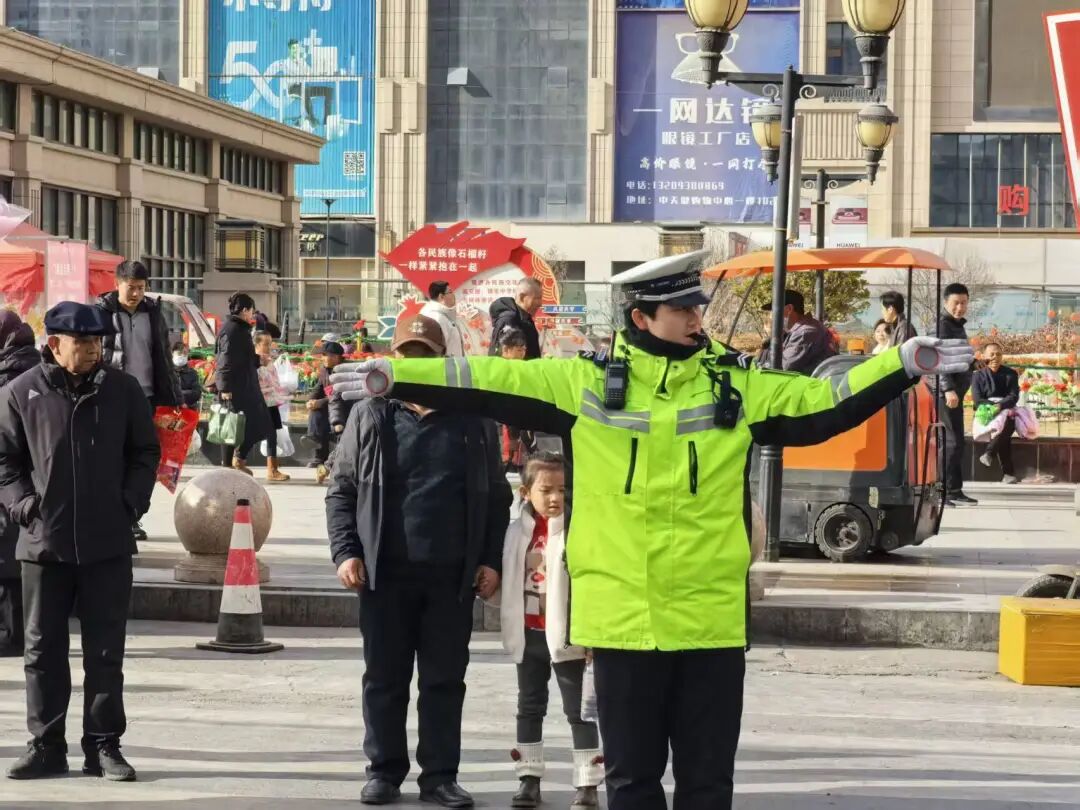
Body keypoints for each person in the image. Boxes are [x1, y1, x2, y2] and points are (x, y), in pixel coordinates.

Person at [329, 249, 973, 810]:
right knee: (631, 782)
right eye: (683, 310)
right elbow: (486, 377)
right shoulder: (581, 383)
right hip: (622, 622)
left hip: (710, 620)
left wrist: (902, 364)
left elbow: (823, 402)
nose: (697, 318)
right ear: (642, 318)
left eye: (697, 308)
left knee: (707, 783)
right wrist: (395, 374)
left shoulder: (737, 387)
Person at [326, 313, 510, 809]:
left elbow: (497, 496)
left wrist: (490, 559)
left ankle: (440, 777)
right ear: (394, 358)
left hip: (452, 576)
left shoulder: (472, 418)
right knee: (384, 680)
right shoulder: (371, 414)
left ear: (442, 360)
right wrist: (346, 551)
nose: (415, 364)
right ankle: (383, 772)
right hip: (385, 573)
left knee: (444, 683)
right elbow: (342, 489)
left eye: (425, 356)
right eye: (407, 355)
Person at [0, 302, 159, 782]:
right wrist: (24, 506)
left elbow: (145, 451)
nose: (93, 350)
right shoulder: (20, 393)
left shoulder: (122, 390)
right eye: (83, 342)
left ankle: (104, 746)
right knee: (41, 652)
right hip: (43, 544)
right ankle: (46, 746)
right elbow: (4, 462)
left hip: (107, 542)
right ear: (54, 344)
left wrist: (130, 502)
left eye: (97, 342)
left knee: (105, 652)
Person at [500, 453, 602, 810]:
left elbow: (592, 587)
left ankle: (587, 783)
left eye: (562, 489)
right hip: (528, 635)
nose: (556, 497)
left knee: (580, 711)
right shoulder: (516, 533)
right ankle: (528, 779)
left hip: (569, 638)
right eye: (547, 490)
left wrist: (591, 635)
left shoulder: (578, 531)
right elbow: (507, 580)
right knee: (529, 707)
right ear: (526, 492)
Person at [98, 259, 179, 541]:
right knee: (115, 458)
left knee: (145, 459)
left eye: (141, 288)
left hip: (148, 399)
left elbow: (164, 358)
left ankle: (133, 515)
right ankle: (114, 514)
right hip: (112, 397)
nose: (136, 294)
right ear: (117, 284)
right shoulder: (102, 313)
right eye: (130, 287)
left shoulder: (153, 313)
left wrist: (175, 397)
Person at [0, 311, 39, 658]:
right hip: (27, 478)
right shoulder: (35, 367)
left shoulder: (11, 374)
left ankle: (12, 636)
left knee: (7, 557)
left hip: (12, 476)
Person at [214, 293, 273, 476]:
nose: (252, 315)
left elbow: (243, 357)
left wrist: (258, 360)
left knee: (260, 423)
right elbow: (224, 360)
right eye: (252, 311)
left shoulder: (240, 329)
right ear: (245, 310)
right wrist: (225, 388)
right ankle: (227, 466)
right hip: (235, 388)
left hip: (246, 386)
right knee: (231, 426)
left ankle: (238, 459)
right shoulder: (232, 330)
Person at [935, 282, 978, 507]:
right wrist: (947, 388)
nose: (960, 307)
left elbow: (956, 357)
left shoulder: (956, 325)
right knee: (950, 443)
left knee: (958, 442)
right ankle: (941, 491)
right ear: (945, 302)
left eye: (964, 303)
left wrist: (974, 363)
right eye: (956, 303)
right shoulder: (942, 325)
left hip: (957, 393)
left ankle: (954, 489)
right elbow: (938, 359)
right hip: (947, 394)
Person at [972, 342, 1020, 485]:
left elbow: (1013, 396)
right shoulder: (977, 375)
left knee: (1008, 421)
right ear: (984, 356)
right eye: (991, 354)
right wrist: (993, 408)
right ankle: (1008, 473)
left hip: (1005, 409)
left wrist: (1000, 406)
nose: (995, 357)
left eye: (998, 354)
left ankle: (989, 453)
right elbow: (977, 400)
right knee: (1005, 428)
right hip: (986, 411)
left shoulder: (1010, 374)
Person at [759, 289, 836, 375]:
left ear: (789, 309)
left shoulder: (805, 332)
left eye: (775, 311)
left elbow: (782, 368)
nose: (772, 316)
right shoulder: (799, 330)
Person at [307, 340, 345, 484]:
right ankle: (318, 453)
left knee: (320, 409)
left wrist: (320, 402)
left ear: (336, 357)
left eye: (326, 355)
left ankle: (315, 441)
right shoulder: (324, 370)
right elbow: (318, 389)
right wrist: (311, 401)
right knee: (315, 412)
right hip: (330, 407)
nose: (323, 358)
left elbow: (339, 395)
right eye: (322, 355)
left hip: (344, 409)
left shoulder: (343, 371)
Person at [255, 331, 291, 483]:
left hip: (271, 401)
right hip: (259, 401)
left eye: (270, 344)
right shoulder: (254, 361)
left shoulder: (269, 361)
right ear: (257, 345)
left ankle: (272, 468)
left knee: (271, 434)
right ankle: (239, 459)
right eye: (266, 344)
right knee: (253, 434)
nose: (269, 347)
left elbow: (274, 381)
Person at [498, 329, 533, 473]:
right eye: (519, 350)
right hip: (504, 423)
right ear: (506, 349)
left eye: (524, 350)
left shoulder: (523, 368)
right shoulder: (499, 369)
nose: (522, 354)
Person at [490, 278, 543, 359]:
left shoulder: (525, 319)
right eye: (537, 298)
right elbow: (505, 358)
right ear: (522, 297)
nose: (540, 303)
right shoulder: (509, 320)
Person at [421, 280, 467, 357]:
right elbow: (435, 349)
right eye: (450, 292)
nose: (453, 295)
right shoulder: (435, 317)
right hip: (445, 363)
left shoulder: (443, 315)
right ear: (441, 297)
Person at [172, 341, 202, 410]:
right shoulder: (167, 373)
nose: (182, 356)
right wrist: (181, 399)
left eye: (185, 353)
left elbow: (196, 393)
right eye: (179, 353)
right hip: (170, 409)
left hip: (188, 408)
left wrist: (179, 396)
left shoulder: (192, 373)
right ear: (172, 354)